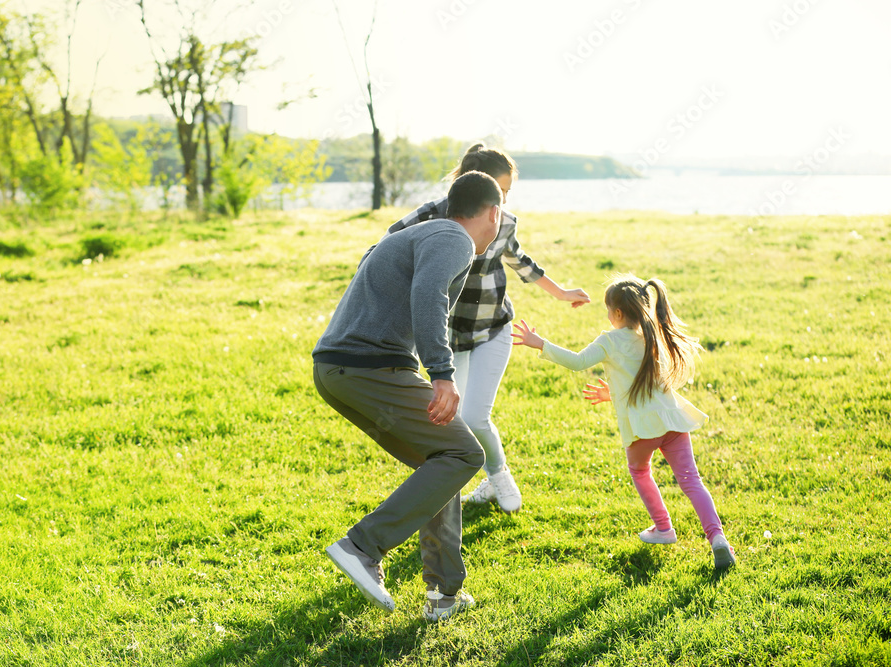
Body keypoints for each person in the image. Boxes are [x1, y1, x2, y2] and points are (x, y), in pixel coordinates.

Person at [313, 171, 504, 621]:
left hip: (343, 368)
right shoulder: (453, 238)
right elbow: (428, 294)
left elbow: (378, 266)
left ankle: (444, 594)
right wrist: (442, 373)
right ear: (493, 213)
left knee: (444, 456)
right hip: (365, 366)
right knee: (463, 456)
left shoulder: (425, 231)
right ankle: (361, 546)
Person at [384, 143, 590, 515]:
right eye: (503, 191)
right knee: (452, 419)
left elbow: (520, 261)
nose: (505, 201)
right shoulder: (433, 215)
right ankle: (461, 485)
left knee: (476, 414)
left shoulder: (504, 222)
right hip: (448, 338)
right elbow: (389, 241)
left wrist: (561, 292)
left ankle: (499, 476)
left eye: (507, 194)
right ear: (474, 183)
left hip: (493, 327)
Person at [511, 274, 736, 569]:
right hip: (672, 420)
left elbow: (577, 362)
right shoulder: (653, 333)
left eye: (608, 310)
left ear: (617, 313)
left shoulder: (609, 341)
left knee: (640, 471)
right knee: (692, 481)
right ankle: (718, 538)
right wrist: (614, 393)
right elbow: (644, 379)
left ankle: (664, 528)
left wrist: (540, 343)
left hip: (641, 429)